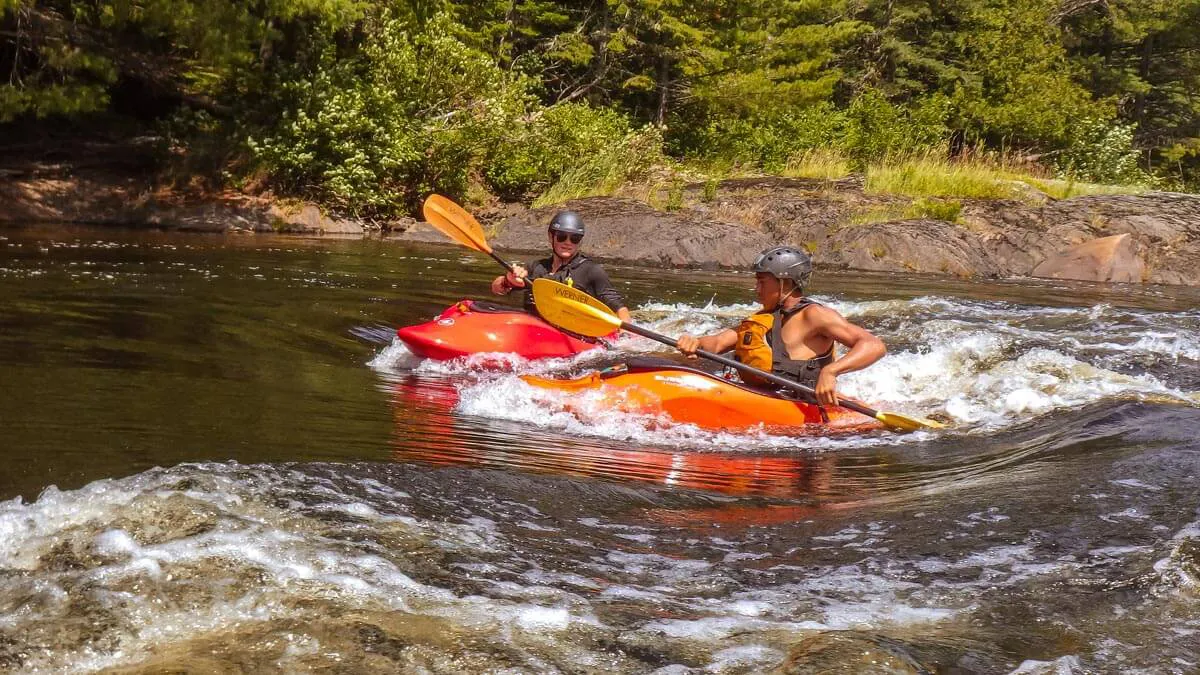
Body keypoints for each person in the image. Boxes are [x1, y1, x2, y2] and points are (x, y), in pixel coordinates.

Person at [675, 246, 886, 408]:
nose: (756, 289)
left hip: (803, 406)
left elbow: (873, 345)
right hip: (763, 398)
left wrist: (831, 372)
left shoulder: (814, 315)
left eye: (762, 282)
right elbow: (718, 343)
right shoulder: (763, 319)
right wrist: (696, 342)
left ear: (784, 283)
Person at [491, 210, 633, 322]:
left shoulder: (591, 271)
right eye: (561, 236)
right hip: (535, 327)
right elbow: (497, 289)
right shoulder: (535, 267)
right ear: (550, 237)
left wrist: (625, 335)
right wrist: (508, 280)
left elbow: (619, 308)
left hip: (572, 334)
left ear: (579, 242)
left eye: (574, 238)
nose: (568, 242)